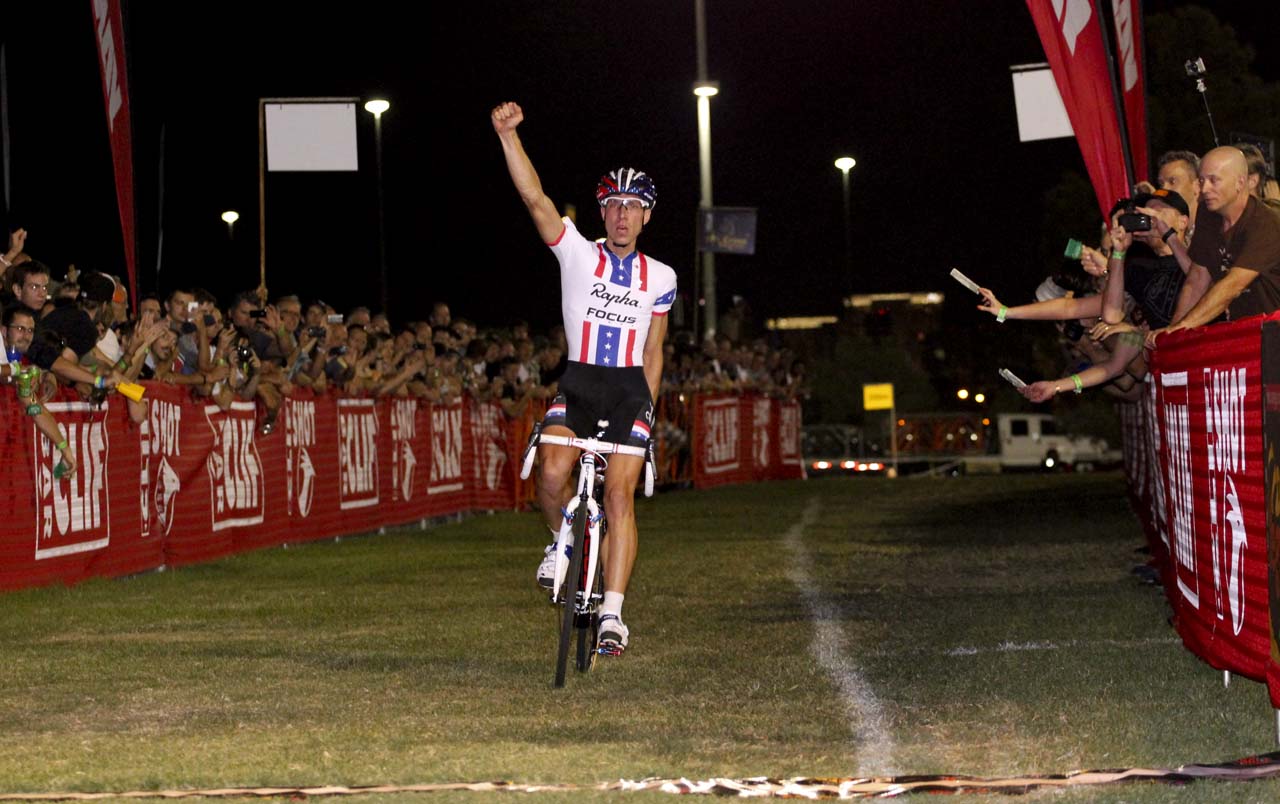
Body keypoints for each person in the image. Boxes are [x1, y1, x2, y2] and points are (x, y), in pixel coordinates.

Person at [492, 100, 676, 655]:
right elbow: (534, 198)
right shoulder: (576, 253)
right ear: (602, 213)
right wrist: (507, 137)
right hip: (578, 383)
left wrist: (650, 411)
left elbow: (654, 351)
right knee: (550, 476)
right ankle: (559, 543)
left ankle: (614, 616)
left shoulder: (661, 276)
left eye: (633, 207)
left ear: (647, 216)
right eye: (614, 205)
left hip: (627, 392)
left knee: (620, 498)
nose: (623, 215)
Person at [1148, 146, 1280, 345]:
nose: (1205, 189)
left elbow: (1233, 286)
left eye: (1214, 180)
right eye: (1201, 180)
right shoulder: (1208, 215)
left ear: (1240, 182)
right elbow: (1197, 278)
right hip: (1245, 333)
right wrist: (1171, 334)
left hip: (1274, 333)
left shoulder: (1265, 222)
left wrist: (1181, 328)